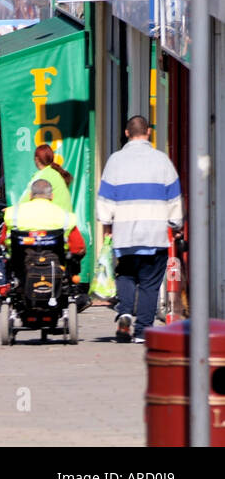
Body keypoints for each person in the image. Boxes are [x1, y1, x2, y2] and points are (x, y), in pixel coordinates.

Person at [96, 115, 183, 343]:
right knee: (149, 283)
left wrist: (107, 224)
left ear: (126, 133)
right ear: (149, 132)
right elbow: (174, 198)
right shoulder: (162, 160)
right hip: (154, 233)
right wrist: (176, 224)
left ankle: (124, 312)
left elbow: (105, 199)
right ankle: (143, 331)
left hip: (124, 233)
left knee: (125, 274)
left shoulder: (115, 161)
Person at [18, 144, 74, 213]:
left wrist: (12, 211)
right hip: (64, 218)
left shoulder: (43, 175)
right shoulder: (54, 173)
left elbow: (24, 200)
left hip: (56, 220)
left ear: (36, 159)